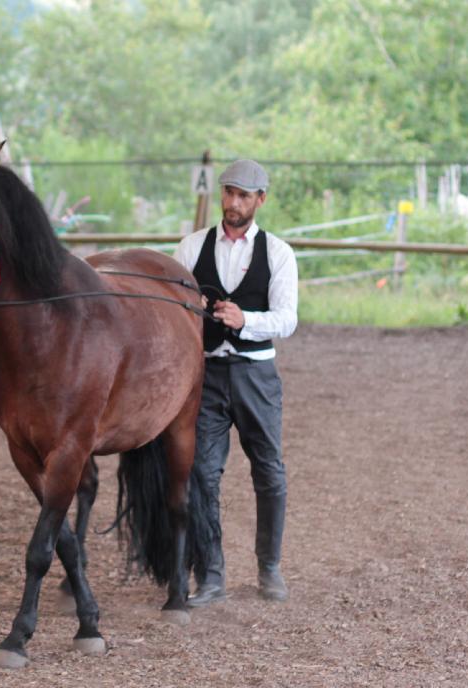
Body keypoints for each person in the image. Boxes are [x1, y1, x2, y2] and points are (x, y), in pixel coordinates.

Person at [173, 159, 298, 606]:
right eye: (229, 192)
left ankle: (269, 568)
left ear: (260, 200)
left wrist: (246, 320)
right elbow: (171, 310)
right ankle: (210, 576)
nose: (233, 202)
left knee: (268, 470)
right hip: (205, 376)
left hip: (256, 376)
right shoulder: (190, 248)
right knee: (202, 474)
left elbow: (288, 320)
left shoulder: (279, 253)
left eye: (244, 195)